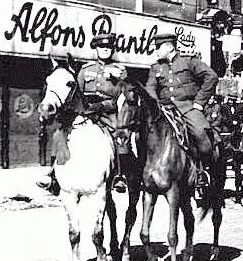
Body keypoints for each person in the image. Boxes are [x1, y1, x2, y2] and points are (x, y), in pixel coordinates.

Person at [36, 32, 132, 194]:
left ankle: (119, 175)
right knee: (59, 134)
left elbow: (122, 96)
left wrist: (102, 105)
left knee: (120, 136)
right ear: (96, 49)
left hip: (107, 113)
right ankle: (53, 173)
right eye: (101, 47)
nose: (105, 50)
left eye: (108, 47)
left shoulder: (120, 70)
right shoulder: (86, 69)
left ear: (112, 49)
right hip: (85, 111)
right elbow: (76, 92)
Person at [145, 33, 219, 190]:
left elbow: (211, 77)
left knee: (201, 133)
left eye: (158, 47)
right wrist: (155, 105)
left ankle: (203, 170)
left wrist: (199, 102)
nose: (156, 51)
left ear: (170, 47)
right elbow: (150, 88)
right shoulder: (155, 67)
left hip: (187, 107)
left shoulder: (189, 61)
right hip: (164, 109)